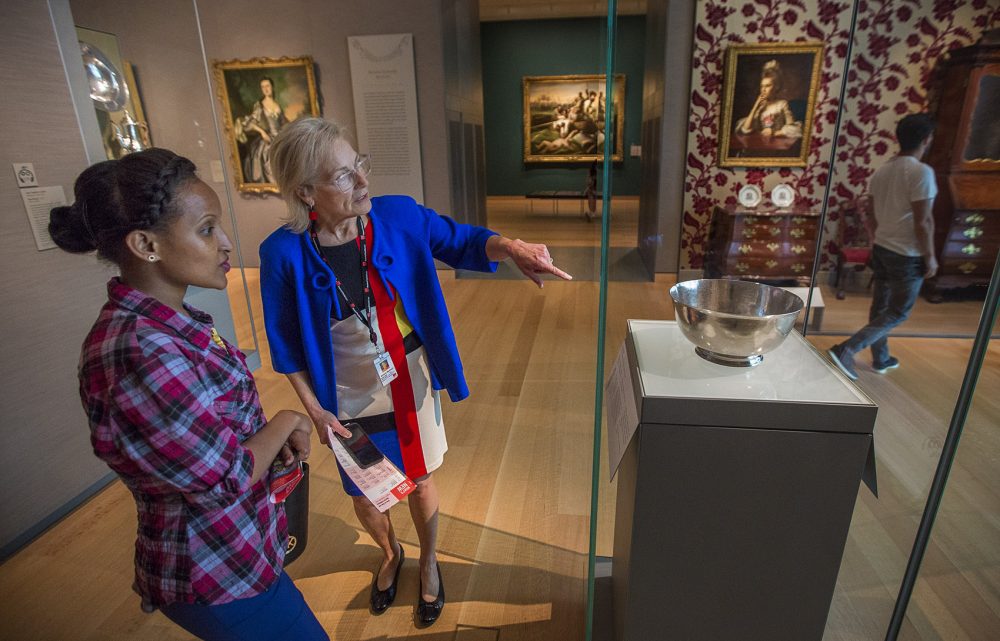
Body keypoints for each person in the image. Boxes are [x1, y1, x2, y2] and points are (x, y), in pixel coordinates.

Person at [260, 117, 572, 626]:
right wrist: (314, 411)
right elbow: (285, 344)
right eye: (342, 176)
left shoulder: (398, 215)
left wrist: (511, 246)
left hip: (410, 376)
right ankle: (390, 555)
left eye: (359, 164)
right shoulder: (281, 252)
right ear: (304, 191)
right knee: (364, 491)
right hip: (343, 392)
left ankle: (428, 561)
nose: (362, 181)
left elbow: (462, 240)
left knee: (419, 477)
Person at [48, 149, 328, 641]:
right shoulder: (141, 350)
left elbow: (215, 437)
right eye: (206, 230)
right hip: (214, 570)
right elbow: (224, 478)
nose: (225, 244)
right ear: (145, 244)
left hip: (240, 549)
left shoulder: (171, 323)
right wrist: (287, 421)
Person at [828, 114, 938, 380]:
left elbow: (874, 215)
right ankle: (847, 349)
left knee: (881, 307)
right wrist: (930, 256)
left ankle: (881, 358)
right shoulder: (921, 172)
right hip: (907, 253)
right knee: (898, 311)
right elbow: (923, 221)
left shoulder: (883, 170)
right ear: (926, 139)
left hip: (882, 247)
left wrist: (878, 239)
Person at [735, 59, 802, 139]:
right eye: (762, 86)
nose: (763, 89)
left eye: (767, 86)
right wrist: (756, 106)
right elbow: (745, 129)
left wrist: (774, 133)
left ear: (776, 87)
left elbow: (793, 129)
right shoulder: (760, 107)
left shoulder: (782, 104)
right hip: (761, 144)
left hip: (777, 144)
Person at [239, 77, 287, 183]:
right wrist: (262, 132)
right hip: (267, 140)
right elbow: (249, 123)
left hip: (279, 137)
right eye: (263, 87)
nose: (266, 89)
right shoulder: (259, 105)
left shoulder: (277, 105)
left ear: (272, 87)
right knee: (267, 158)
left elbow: (283, 124)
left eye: (267, 86)